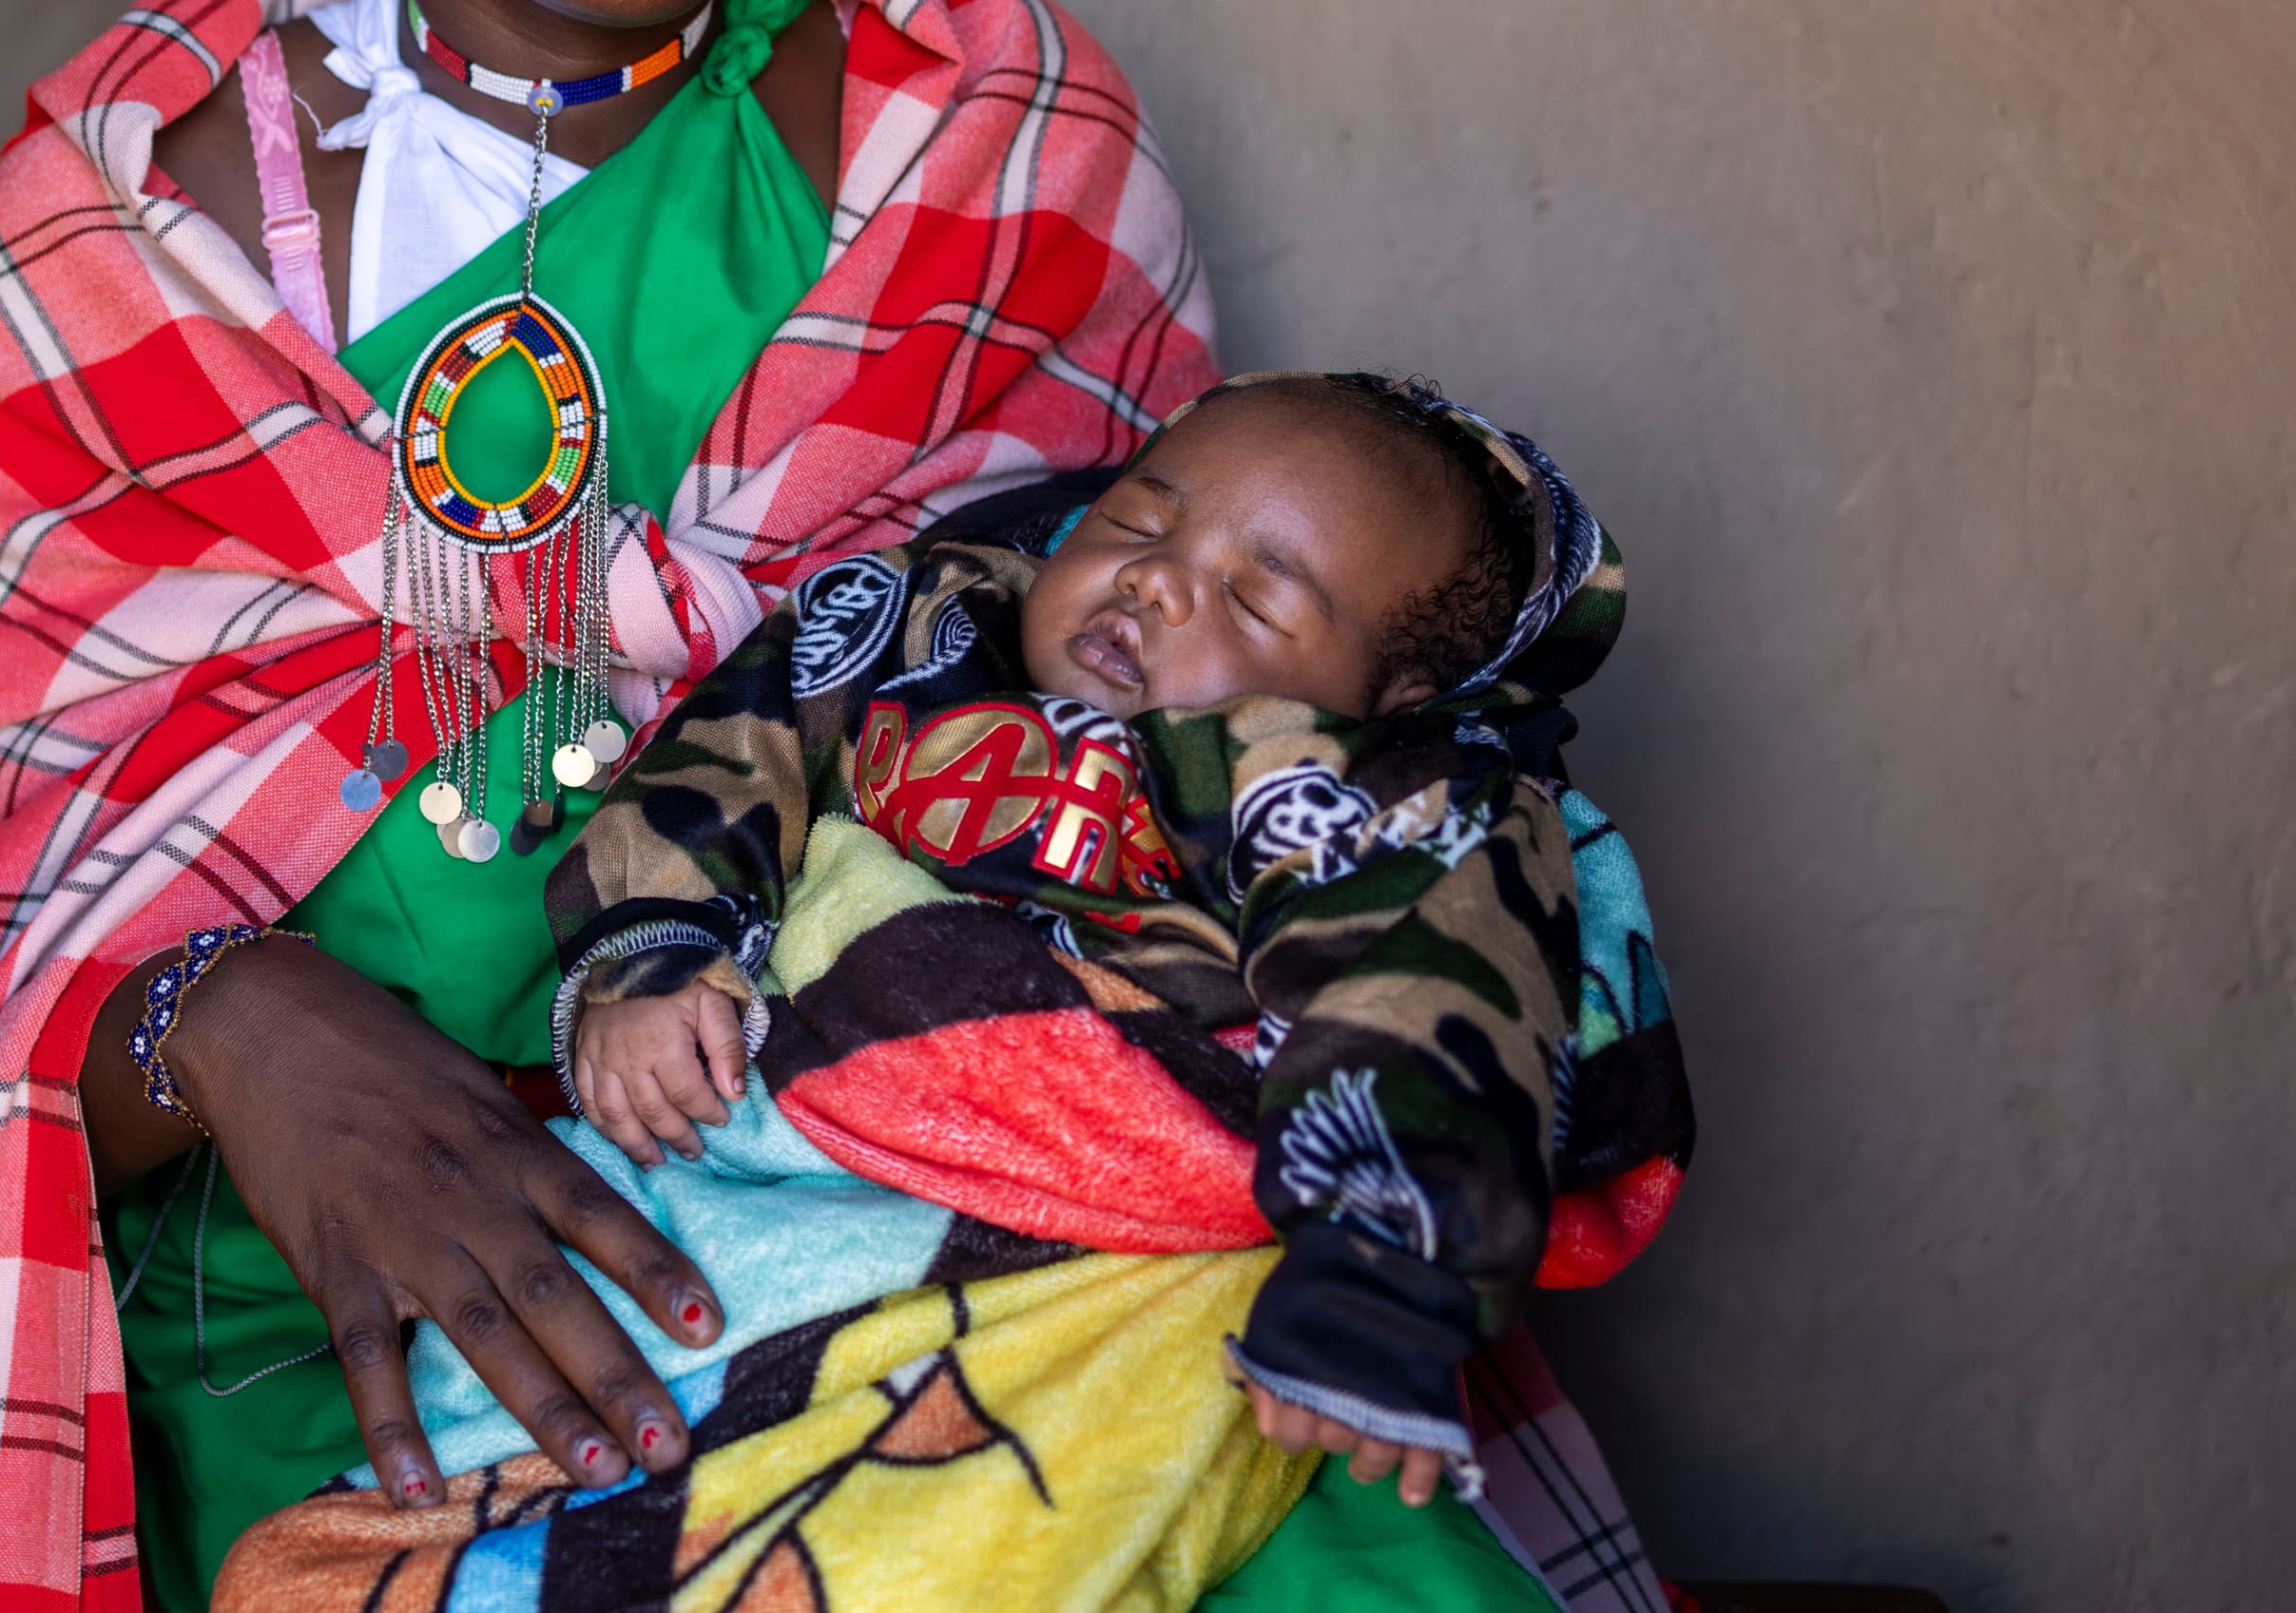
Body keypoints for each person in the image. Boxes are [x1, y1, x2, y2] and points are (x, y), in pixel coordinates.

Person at [0, 0, 1629, 1613]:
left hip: (982, 1220)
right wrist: (224, 1020)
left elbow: (1237, 796)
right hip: (337, 1317)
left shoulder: (995, 156)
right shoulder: (115, 235)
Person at [553, 372, 1654, 1512]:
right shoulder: (922, 625)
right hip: (798, 1160)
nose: (1156, 580)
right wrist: (654, 959)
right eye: (1137, 519)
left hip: (1122, 1231)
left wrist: (1380, 1272)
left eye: (1257, 601)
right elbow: (735, 752)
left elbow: (1428, 988)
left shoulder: (1360, 790)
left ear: (1392, 699)